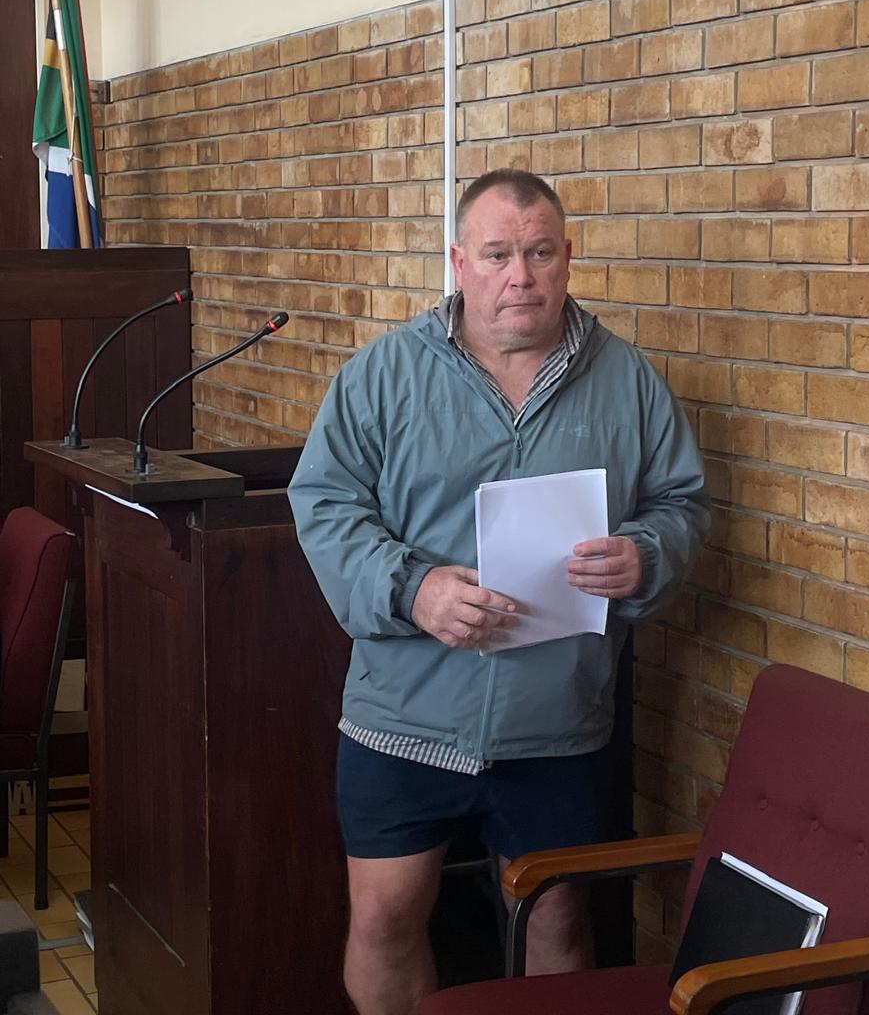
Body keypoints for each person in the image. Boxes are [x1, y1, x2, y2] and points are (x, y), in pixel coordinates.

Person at [289, 169, 709, 1015]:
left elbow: (681, 504)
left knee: (557, 923)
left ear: (567, 257)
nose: (520, 274)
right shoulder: (382, 376)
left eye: (539, 252)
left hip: (556, 718)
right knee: (383, 918)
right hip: (404, 713)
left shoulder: (626, 379)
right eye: (497, 254)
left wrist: (646, 556)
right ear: (458, 262)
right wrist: (412, 590)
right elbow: (324, 506)